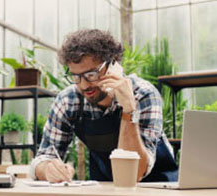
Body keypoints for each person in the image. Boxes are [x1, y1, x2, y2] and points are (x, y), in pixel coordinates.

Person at [30, 29, 178, 183]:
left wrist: (129, 110)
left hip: (156, 186)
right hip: (105, 186)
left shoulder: (143, 94)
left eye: (92, 75)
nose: (85, 85)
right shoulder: (69, 100)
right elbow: (43, 157)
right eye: (76, 76)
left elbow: (135, 174)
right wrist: (48, 170)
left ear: (113, 63)